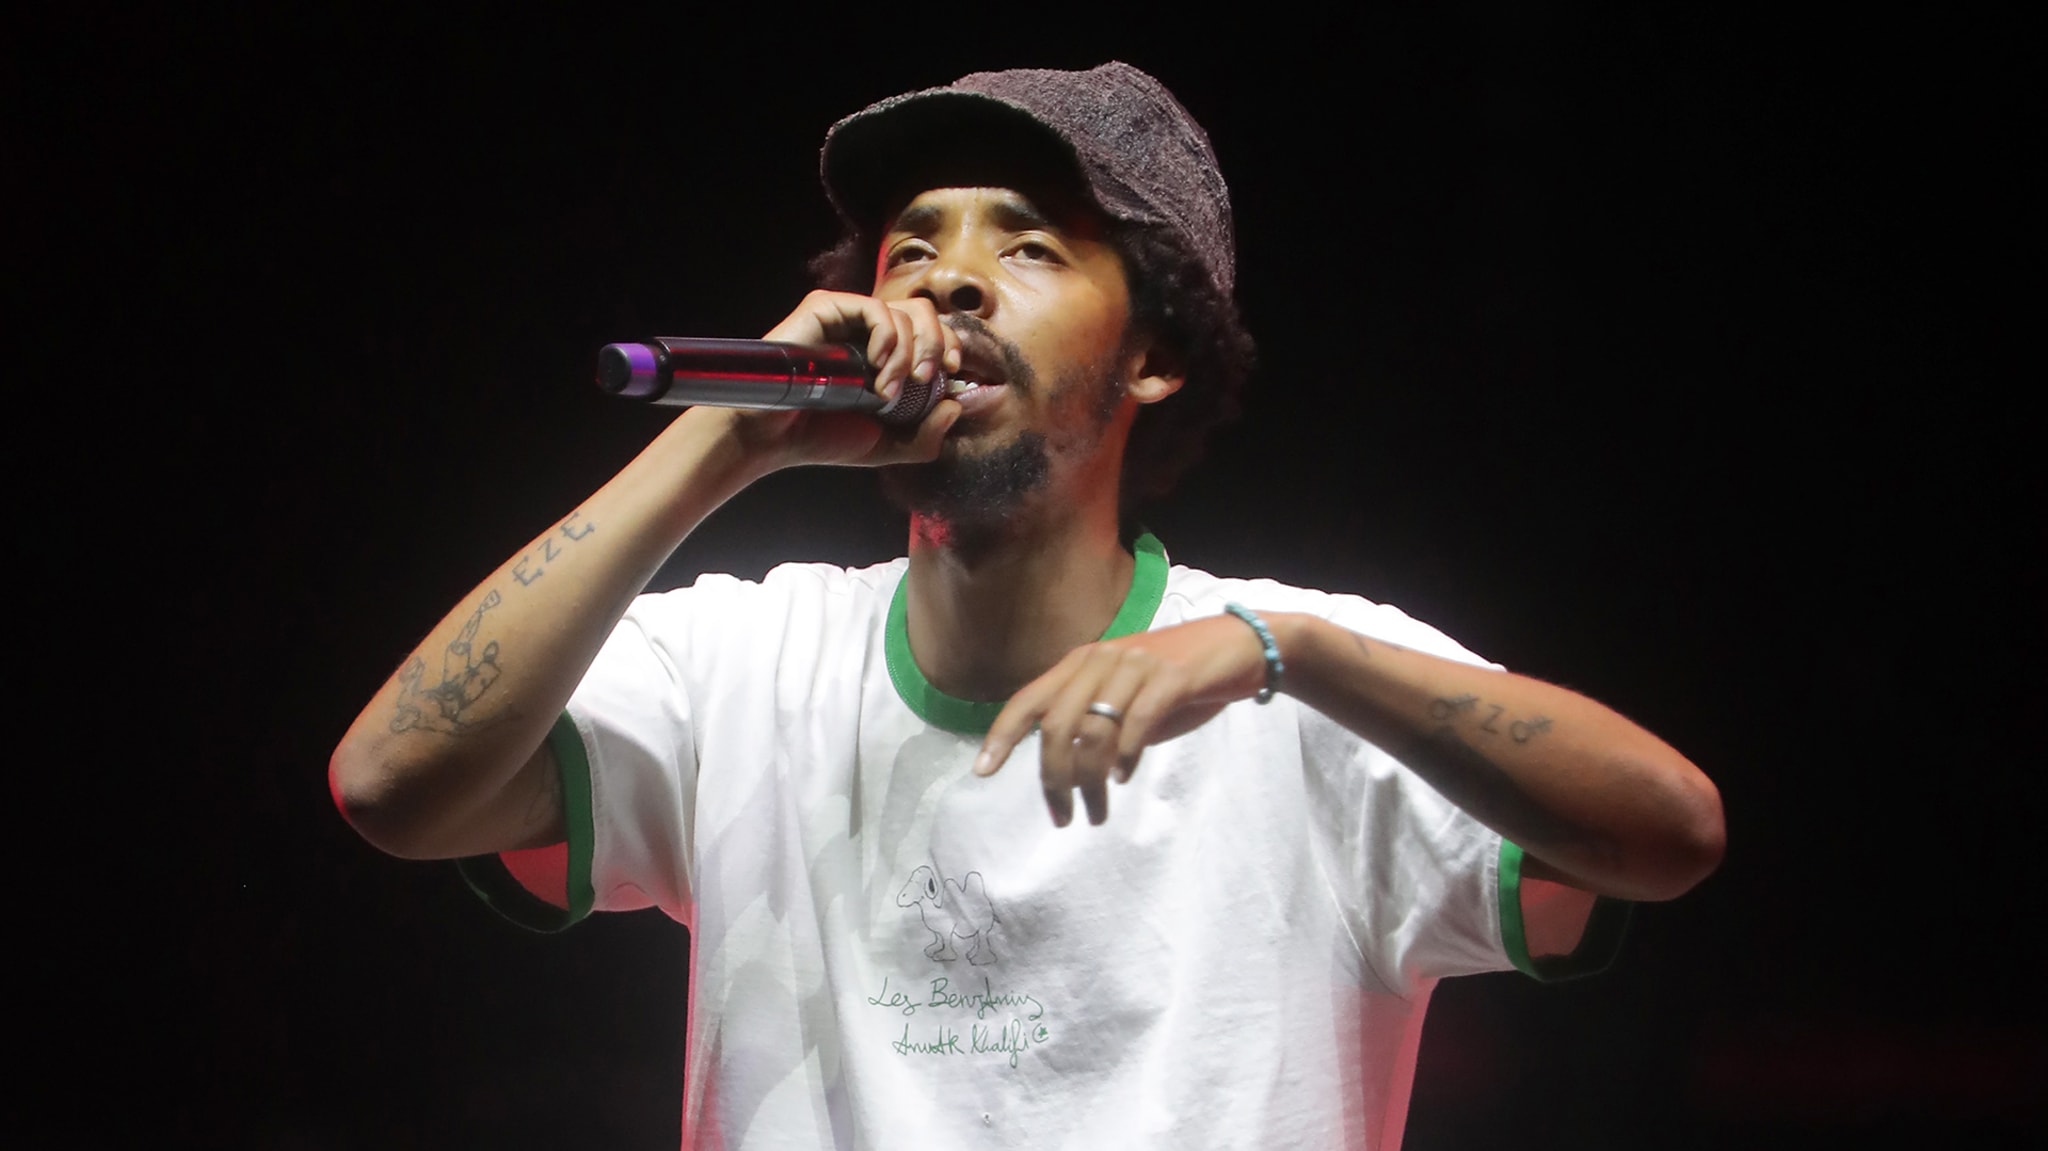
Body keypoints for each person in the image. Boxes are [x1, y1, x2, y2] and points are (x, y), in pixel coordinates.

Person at [329, 62, 1724, 1150]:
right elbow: (394, 785)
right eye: (910, 250)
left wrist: (1287, 652)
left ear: (1155, 352)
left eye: (1032, 247)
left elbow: (1671, 835)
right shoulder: (741, 660)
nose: (951, 278)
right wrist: (726, 442)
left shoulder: (1297, 676)